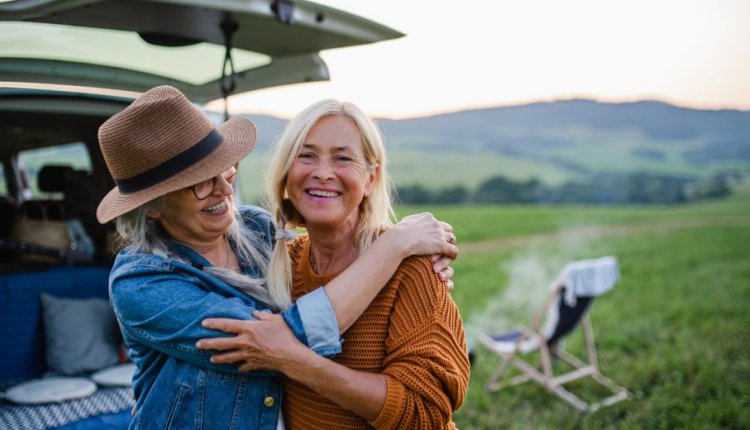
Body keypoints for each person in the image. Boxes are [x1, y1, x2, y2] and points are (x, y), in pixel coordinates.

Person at [95, 86, 459, 429]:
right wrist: (392, 247)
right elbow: (280, 341)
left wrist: (406, 245)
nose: (224, 189)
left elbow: (424, 412)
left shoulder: (259, 231)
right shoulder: (142, 283)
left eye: (224, 169)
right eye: (200, 181)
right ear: (153, 206)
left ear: (371, 177)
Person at [197, 99, 470, 429]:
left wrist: (299, 363)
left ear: (371, 177)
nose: (323, 173)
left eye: (343, 158)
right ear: (285, 172)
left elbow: (424, 413)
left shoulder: (409, 266)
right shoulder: (279, 263)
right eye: (306, 155)